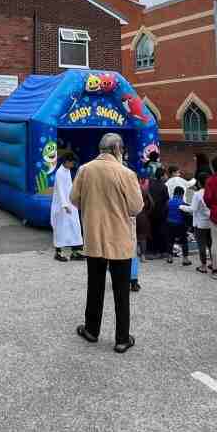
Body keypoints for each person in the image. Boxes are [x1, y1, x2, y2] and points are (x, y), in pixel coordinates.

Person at [71, 133, 142, 354]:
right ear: (118, 149)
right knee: (121, 291)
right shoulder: (126, 173)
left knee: (95, 286)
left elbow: (74, 199)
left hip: (94, 237)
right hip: (119, 239)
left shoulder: (85, 170)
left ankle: (92, 330)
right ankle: (121, 338)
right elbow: (136, 207)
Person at [51, 150, 83, 262]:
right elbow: (60, 190)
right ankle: (58, 252)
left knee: (75, 227)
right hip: (62, 206)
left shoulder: (68, 171)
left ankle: (76, 252)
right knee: (62, 229)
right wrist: (64, 205)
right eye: (72, 162)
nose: (73, 165)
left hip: (71, 204)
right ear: (66, 161)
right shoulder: (59, 173)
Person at [182, 168, 213, 274]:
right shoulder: (212, 192)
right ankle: (213, 264)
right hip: (211, 222)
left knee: (202, 245)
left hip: (200, 224)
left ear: (199, 183)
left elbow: (193, 209)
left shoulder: (198, 194)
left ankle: (203, 266)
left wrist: (181, 207)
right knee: (211, 244)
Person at [165, 186, 191, 266]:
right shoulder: (183, 204)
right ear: (182, 194)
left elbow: (165, 213)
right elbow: (187, 216)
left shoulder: (168, 202)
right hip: (180, 225)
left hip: (169, 224)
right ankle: (185, 259)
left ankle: (169, 257)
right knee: (184, 242)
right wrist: (189, 226)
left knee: (170, 241)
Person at [147, 168, 170, 259]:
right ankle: (161, 251)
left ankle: (151, 251)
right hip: (161, 212)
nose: (166, 177)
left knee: (151, 231)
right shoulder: (164, 186)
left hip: (151, 212)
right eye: (165, 175)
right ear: (162, 175)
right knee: (161, 232)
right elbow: (166, 200)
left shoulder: (151, 183)